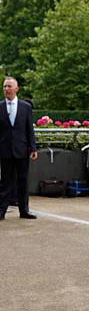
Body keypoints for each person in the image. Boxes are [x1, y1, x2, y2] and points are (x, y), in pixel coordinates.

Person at [0, 77, 38, 220]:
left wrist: (33, 148)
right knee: (5, 182)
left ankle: (24, 211)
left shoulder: (25, 107)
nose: (6, 89)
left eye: (9, 86)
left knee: (23, 181)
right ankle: (1, 211)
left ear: (17, 89)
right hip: (5, 151)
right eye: (4, 86)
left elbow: (30, 129)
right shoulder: (0, 106)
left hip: (22, 150)